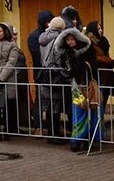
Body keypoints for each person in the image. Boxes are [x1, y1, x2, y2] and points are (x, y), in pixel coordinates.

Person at [38, 15, 69, 143]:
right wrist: (65, 72)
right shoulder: (58, 39)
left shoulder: (44, 37)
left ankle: (52, 134)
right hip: (55, 76)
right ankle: (53, 135)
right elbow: (55, 59)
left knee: (50, 107)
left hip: (46, 75)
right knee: (55, 107)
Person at [0, 23, 21, 136]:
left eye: (0, 31)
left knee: (7, 107)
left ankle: (7, 131)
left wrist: (1, 78)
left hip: (8, 80)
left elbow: (11, 62)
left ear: (5, 32)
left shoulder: (12, 46)